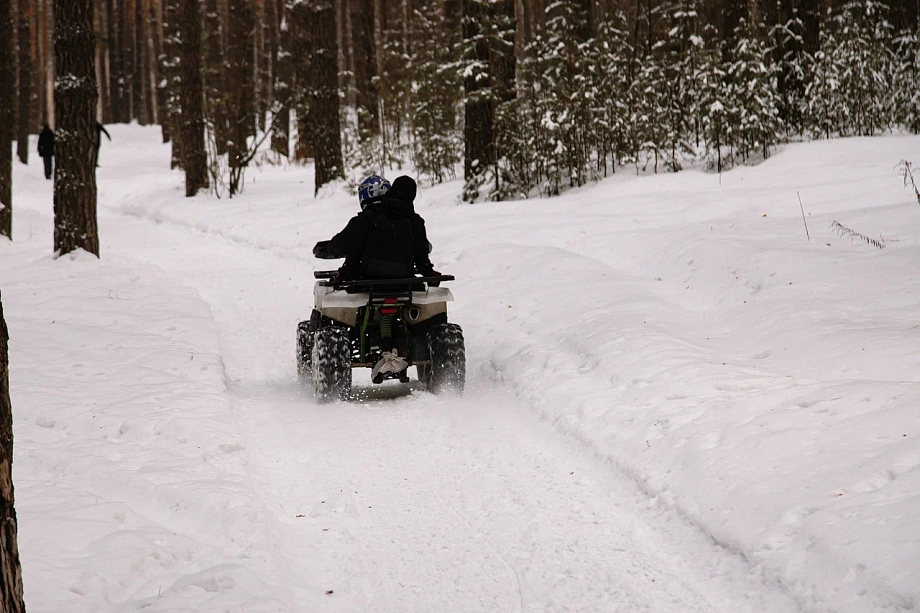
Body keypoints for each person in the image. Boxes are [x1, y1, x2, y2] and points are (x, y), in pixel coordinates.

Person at [313, 174, 439, 378]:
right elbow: (422, 255)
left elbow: (342, 246)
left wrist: (325, 250)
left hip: (365, 286)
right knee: (432, 322)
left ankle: (329, 376)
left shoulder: (363, 220)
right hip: (403, 286)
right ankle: (439, 368)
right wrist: (429, 273)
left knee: (328, 313)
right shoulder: (411, 219)